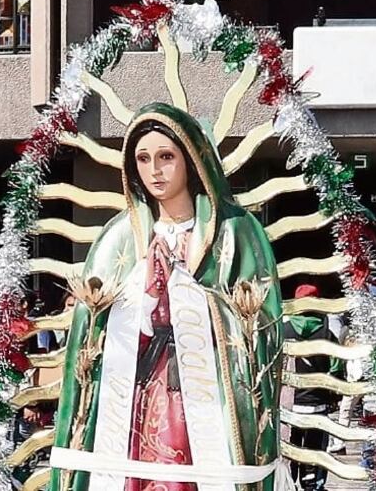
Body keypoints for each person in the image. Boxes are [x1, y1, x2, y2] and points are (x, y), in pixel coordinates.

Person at [49, 103, 284, 490]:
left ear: (191, 160)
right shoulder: (119, 238)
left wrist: (186, 292)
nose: (155, 170)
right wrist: (144, 300)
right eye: (143, 158)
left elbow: (261, 326)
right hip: (135, 397)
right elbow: (92, 335)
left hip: (210, 403)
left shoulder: (234, 232)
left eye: (166, 157)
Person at [283, 284, 341, 491]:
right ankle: (312, 486)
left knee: (290, 449)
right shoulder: (327, 333)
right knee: (316, 451)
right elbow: (336, 369)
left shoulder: (283, 330)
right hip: (317, 404)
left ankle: (290, 484)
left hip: (288, 406)